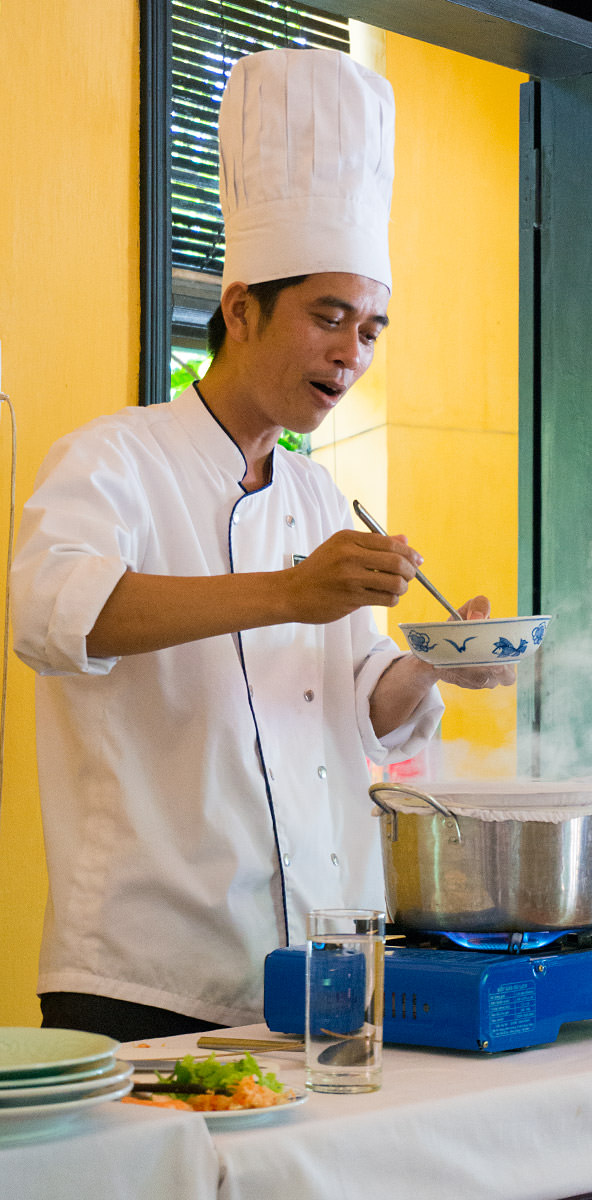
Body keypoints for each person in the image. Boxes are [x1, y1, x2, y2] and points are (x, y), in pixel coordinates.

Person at [10, 48, 512, 1041]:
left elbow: (357, 700)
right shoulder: (113, 459)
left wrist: (432, 663)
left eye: (371, 328)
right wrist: (289, 592)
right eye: (328, 316)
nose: (352, 352)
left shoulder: (321, 495)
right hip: (146, 974)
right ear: (241, 309)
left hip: (313, 965)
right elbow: (50, 615)